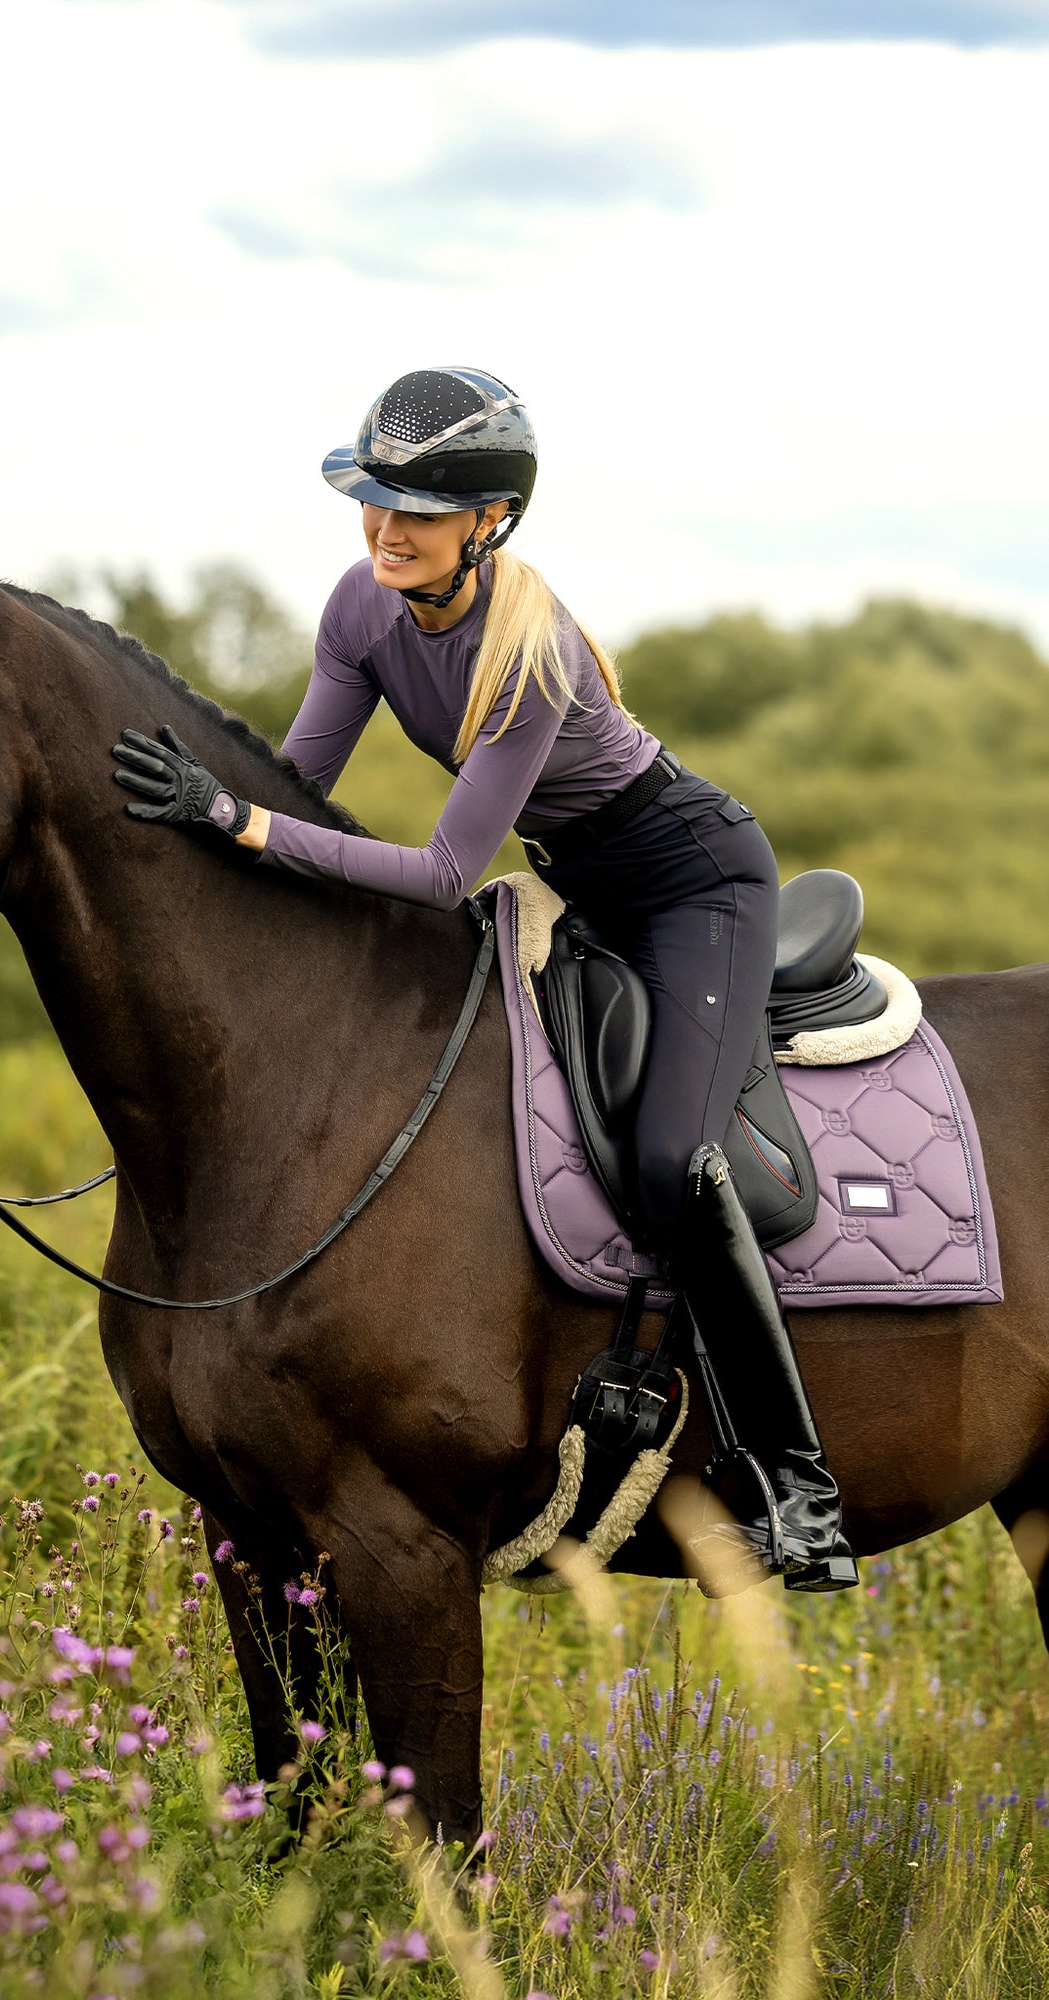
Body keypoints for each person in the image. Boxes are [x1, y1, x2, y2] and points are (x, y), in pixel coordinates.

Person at [111, 367, 855, 1595]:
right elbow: (299, 787)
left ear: (490, 522)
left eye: (417, 507)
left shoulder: (533, 654)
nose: (385, 528)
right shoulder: (362, 608)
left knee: (676, 1154)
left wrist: (240, 823)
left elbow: (450, 867)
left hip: (692, 886)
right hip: (583, 886)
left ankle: (794, 1479)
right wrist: (197, 820)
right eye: (372, 500)